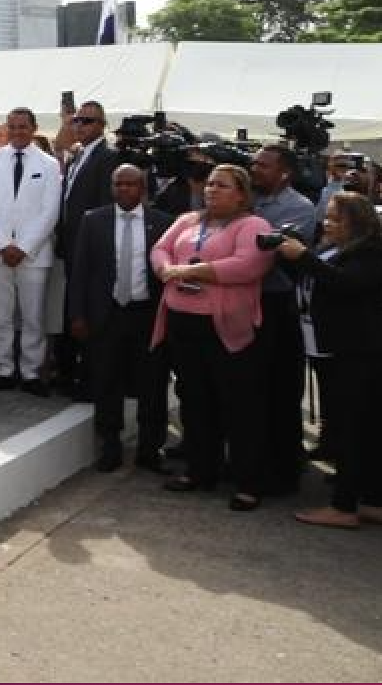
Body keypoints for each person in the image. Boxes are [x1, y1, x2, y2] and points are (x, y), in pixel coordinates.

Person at [150, 164, 275, 512]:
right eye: (209, 185)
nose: (211, 190)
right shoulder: (188, 220)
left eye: (221, 185)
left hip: (225, 330)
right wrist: (165, 268)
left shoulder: (253, 225)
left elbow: (249, 265)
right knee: (194, 399)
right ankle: (199, 470)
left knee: (238, 405)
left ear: (241, 193)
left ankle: (249, 482)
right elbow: (160, 249)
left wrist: (191, 271)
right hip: (183, 323)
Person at [274, 193, 382, 528]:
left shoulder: (371, 252)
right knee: (359, 429)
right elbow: (313, 280)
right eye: (326, 217)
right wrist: (291, 253)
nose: (326, 223)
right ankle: (373, 501)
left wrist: (303, 255)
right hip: (330, 352)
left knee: (353, 431)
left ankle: (344, 506)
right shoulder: (330, 249)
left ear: (356, 222)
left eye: (335, 218)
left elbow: (346, 284)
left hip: (356, 355)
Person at [68, 164, 172, 473]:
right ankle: (110, 447)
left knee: (151, 385)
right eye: (118, 184)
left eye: (130, 184)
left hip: (147, 316)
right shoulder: (94, 221)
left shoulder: (163, 223)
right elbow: (80, 272)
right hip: (107, 315)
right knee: (106, 383)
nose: (123, 189)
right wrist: (77, 315)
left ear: (143, 188)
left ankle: (150, 449)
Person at [0, 107, 63, 394]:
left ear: (34, 128)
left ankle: (31, 373)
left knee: (33, 316)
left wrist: (24, 247)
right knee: (0, 316)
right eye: (12, 127)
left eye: (22, 127)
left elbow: (50, 212)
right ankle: (3, 370)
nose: (16, 132)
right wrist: (3, 245)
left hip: (34, 254)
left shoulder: (49, 164)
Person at [249, 145, 318, 495]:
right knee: (250, 390)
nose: (254, 169)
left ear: (284, 173)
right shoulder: (247, 199)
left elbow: (267, 252)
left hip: (279, 308)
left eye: (263, 165)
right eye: (254, 163)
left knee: (280, 390)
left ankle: (284, 470)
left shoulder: (300, 209)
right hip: (243, 304)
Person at [55, 101, 117, 398]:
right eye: (76, 120)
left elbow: (106, 208)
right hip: (71, 248)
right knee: (75, 311)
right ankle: (75, 374)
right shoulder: (78, 155)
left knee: (90, 313)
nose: (79, 126)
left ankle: (91, 380)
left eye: (87, 121)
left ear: (102, 125)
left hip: (91, 251)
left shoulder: (107, 158)